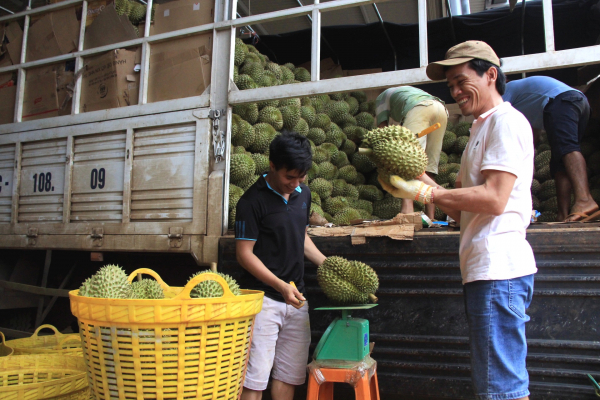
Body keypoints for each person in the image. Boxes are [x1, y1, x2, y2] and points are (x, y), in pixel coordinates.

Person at [380, 41, 537, 400]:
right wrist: (417, 178)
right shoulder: (479, 131)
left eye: (460, 81)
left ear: (491, 75)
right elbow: (464, 209)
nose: (454, 92)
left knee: (500, 388)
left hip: (499, 269)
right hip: (485, 270)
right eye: (449, 85)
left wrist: (426, 195)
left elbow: (494, 198)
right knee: (495, 381)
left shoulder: (506, 122)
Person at [235, 131, 327, 400]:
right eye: (289, 177)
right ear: (272, 165)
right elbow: (244, 254)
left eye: (301, 177)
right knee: (254, 379)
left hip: (297, 299)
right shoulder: (251, 202)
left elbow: (301, 237)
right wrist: (279, 285)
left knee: (288, 376)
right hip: (262, 301)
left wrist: (328, 265)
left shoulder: (304, 194)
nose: (295, 183)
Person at [502, 76, 599, 222]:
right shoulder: (525, 100)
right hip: (578, 102)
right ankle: (563, 215)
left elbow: (495, 121)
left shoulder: (505, 91)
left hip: (562, 101)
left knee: (567, 148)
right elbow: (532, 138)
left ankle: (584, 200)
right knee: (559, 161)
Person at [375, 86, 448, 220]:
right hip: (440, 109)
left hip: (419, 109)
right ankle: (431, 217)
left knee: (407, 164)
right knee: (428, 169)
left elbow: (382, 132)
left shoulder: (380, 99)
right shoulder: (402, 94)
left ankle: (407, 212)